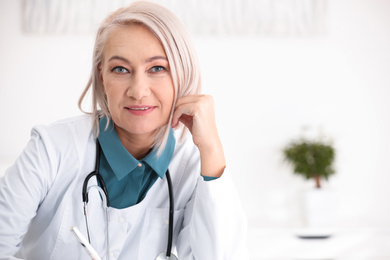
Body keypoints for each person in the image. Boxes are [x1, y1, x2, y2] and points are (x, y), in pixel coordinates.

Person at [0, 1, 247, 259]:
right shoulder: (51, 148)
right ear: (103, 77)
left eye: (157, 68)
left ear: (182, 75)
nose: (138, 91)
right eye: (120, 69)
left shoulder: (195, 166)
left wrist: (212, 148)